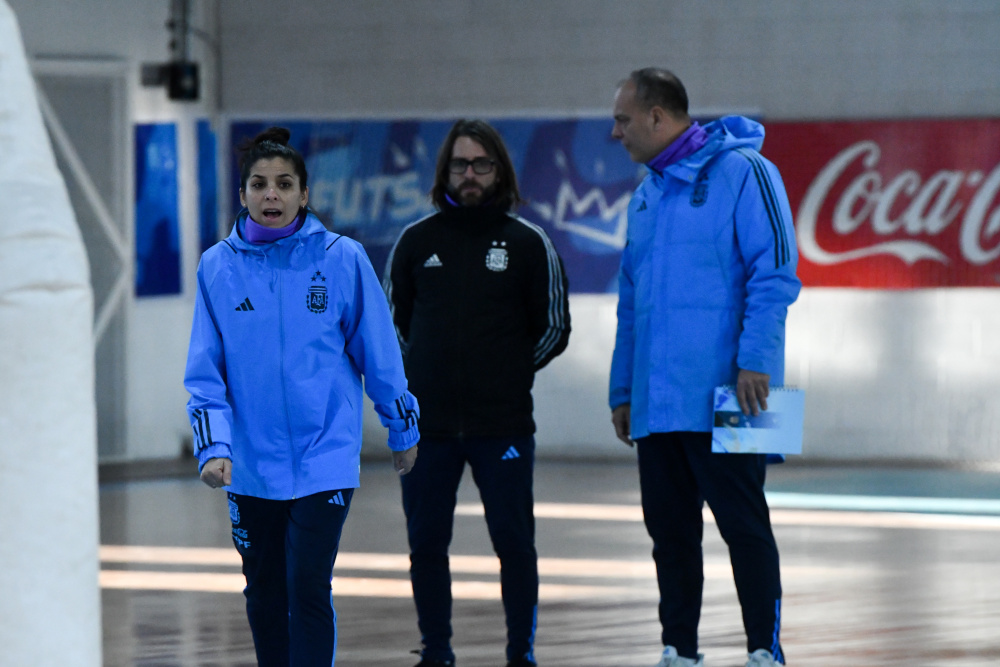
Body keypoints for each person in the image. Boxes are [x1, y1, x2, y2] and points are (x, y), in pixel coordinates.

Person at [184, 126, 420, 666]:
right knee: (265, 589)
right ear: (242, 194)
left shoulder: (343, 259)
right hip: (249, 464)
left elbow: (379, 354)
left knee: (308, 583)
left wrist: (402, 426)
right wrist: (213, 447)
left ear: (304, 195)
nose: (272, 195)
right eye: (260, 185)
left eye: (285, 184)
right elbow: (205, 373)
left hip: (325, 458)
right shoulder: (217, 267)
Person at [608, 69, 801, 667]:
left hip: (737, 393)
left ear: (658, 117)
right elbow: (631, 300)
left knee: (746, 527)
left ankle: (765, 651)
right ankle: (679, 649)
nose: (615, 133)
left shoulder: (747, 172)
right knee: (669, 538)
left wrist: (757, 362)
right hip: (657, 401)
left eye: (622, 120)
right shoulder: (646, 194)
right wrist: (623, 388)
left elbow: (776, 276)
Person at [383, 119, 571, 667]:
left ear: (500, 172)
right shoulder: (417, 242)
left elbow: (554, 328)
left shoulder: (528, 242)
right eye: (460, 164)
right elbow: (390, 329)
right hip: (429, 430)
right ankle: (437, 652)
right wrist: (418, 380)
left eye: (481, 164)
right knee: (426, 547)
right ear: (444, 171)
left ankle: (520, 654)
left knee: (514, 546)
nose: (470, 175)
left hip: (503, 426)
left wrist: (509, 373)